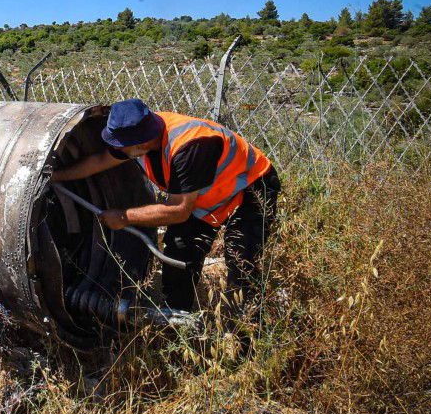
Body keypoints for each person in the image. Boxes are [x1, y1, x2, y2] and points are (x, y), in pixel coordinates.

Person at [52, 98, 280, 314]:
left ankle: (244, 330)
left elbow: (179, 211)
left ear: (141, 143)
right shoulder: (142, 132)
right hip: (204, 196)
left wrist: (123, 217)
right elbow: (100, 161)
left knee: (241, 261)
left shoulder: (189, 147)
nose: (116, 150)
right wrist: (56, 176)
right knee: (180, 254)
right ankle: (178, 318)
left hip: (249, 189)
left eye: (120, 146)